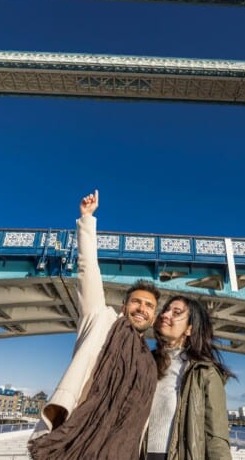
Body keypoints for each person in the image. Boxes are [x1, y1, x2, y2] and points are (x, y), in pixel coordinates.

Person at [29, 190, 161, 460]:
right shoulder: (100, 320)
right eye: (137, 302)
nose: (142, 309)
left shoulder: (149, 359)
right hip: (77, 440)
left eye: (149, 306)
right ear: (124, 307)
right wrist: (87, 219)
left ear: (154, 317)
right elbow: (89, 269)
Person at [145, 295, 235, 460]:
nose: (165, 315)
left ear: (189, 329)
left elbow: (215, 437)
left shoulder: (204, 372)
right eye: (165, 310)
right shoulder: (143, 362)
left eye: (176, 312)